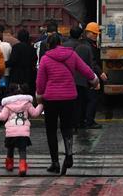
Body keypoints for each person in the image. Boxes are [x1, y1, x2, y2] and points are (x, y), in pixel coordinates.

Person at [35, 33, 99, 175]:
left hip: (51, 99)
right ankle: (69, 155)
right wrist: (95, 81)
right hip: (69, 97)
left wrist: (39, 97)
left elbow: (40, 82)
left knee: (51, 130)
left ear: (48, 45)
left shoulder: (45, 59)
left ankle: (55, 163)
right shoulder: (71, 55)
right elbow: (87, 71)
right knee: (67, 128)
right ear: (61, 43)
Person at [0, 83, 43, 176]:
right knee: (22, 150)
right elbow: (35, 113)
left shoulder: (7, 105)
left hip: (11, 132)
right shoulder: (27, 103)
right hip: (23, 132)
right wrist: (41, 104)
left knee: (10, 149)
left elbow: (2, 117)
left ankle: (9, 164)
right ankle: (22, 167)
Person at [63, 26, 95, 129]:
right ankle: (79, 122)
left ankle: (69, 122)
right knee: (80, 102)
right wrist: (92, 80)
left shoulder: (63, 46)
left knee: (68, 102)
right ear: (81, 35)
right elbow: (89, 65)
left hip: (66, 78)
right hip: (80, 79)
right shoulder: (85, 47)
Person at [82, 22, 106, 128]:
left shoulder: (90, 43)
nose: (96, 35)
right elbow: (92, 62)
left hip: (89, 76)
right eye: (94, 33)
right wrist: (99, 74)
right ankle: (89, 122)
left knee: (90, 99)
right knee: (92, 99)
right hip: (90, 76)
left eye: (97, 34)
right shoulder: (88, 45)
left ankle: (87, 120)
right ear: (88, 32)